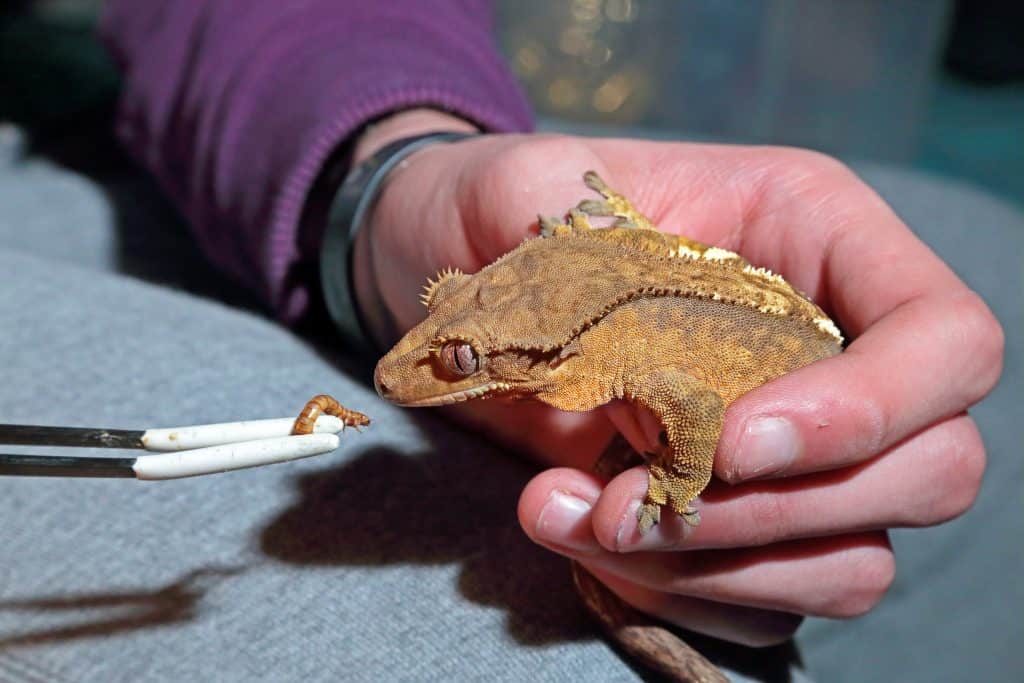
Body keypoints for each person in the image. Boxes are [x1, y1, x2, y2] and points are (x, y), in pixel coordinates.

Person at [99, 0, 1003, 671]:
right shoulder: (585, 323)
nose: (401, 370)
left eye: (455, 350)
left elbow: (687, 397)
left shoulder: (615, 343)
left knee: (996, 256)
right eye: (441, 312)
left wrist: (390, 186)